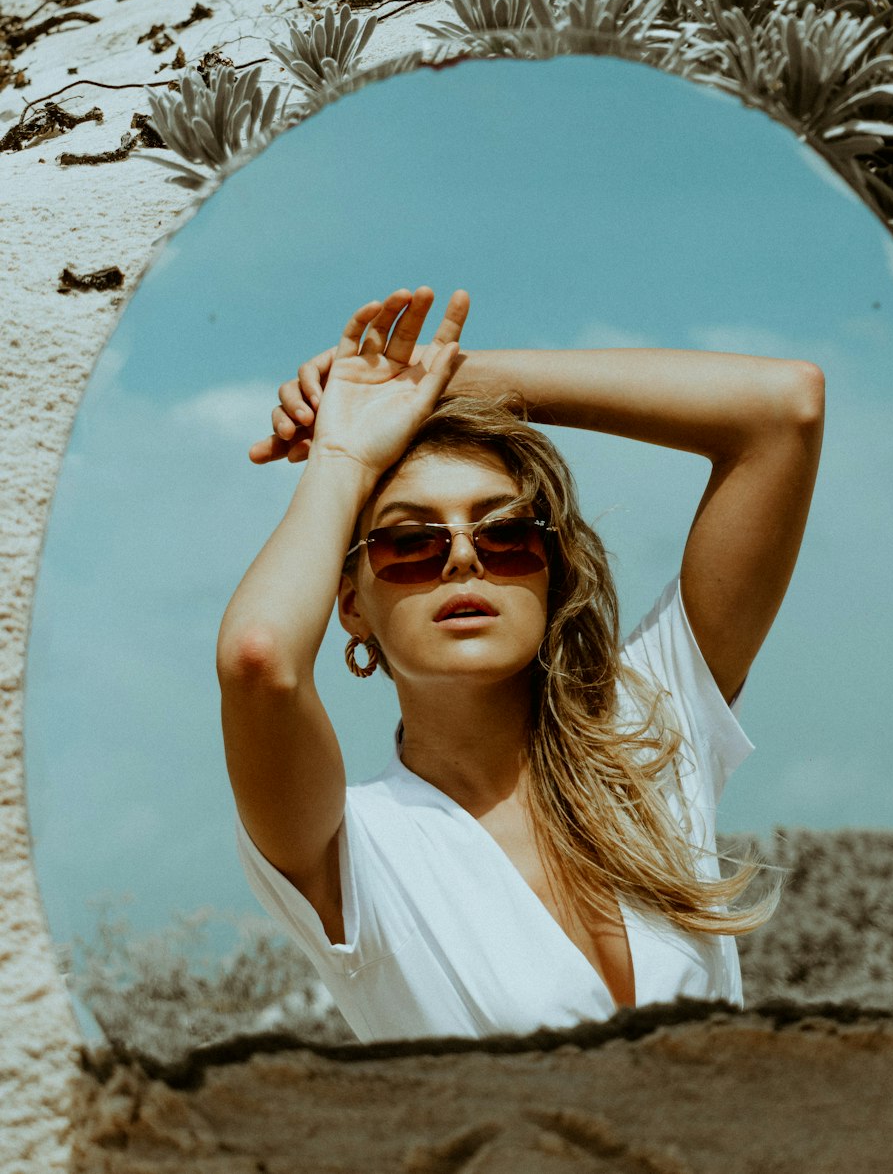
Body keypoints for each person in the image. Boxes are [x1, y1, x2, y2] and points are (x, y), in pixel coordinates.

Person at [217, 285, 824, 1043]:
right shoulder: (351, 848)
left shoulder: (647, 732)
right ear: (348, 604)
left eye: (505, 535)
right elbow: (259, 660)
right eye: (410, 544)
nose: (464, 559)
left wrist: (429, 380)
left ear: (550, 571)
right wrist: (343, 446)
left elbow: (783, 408)